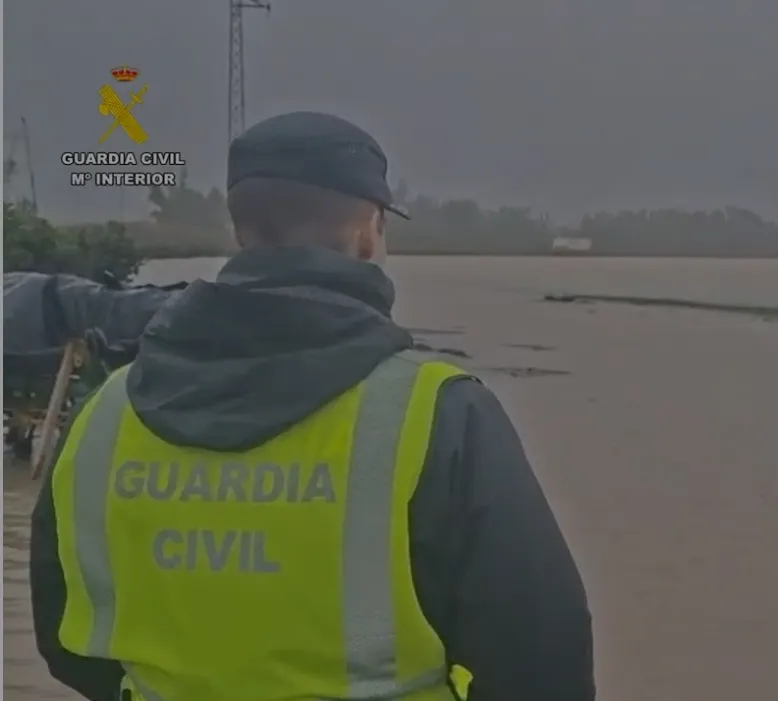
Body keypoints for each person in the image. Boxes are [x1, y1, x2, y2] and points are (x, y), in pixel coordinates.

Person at [29, 111, 595, 701]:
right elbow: (541, 660)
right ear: (370, 230)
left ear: (241, 232)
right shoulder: (440, 413)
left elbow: (69, 638)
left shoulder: (103, 415)